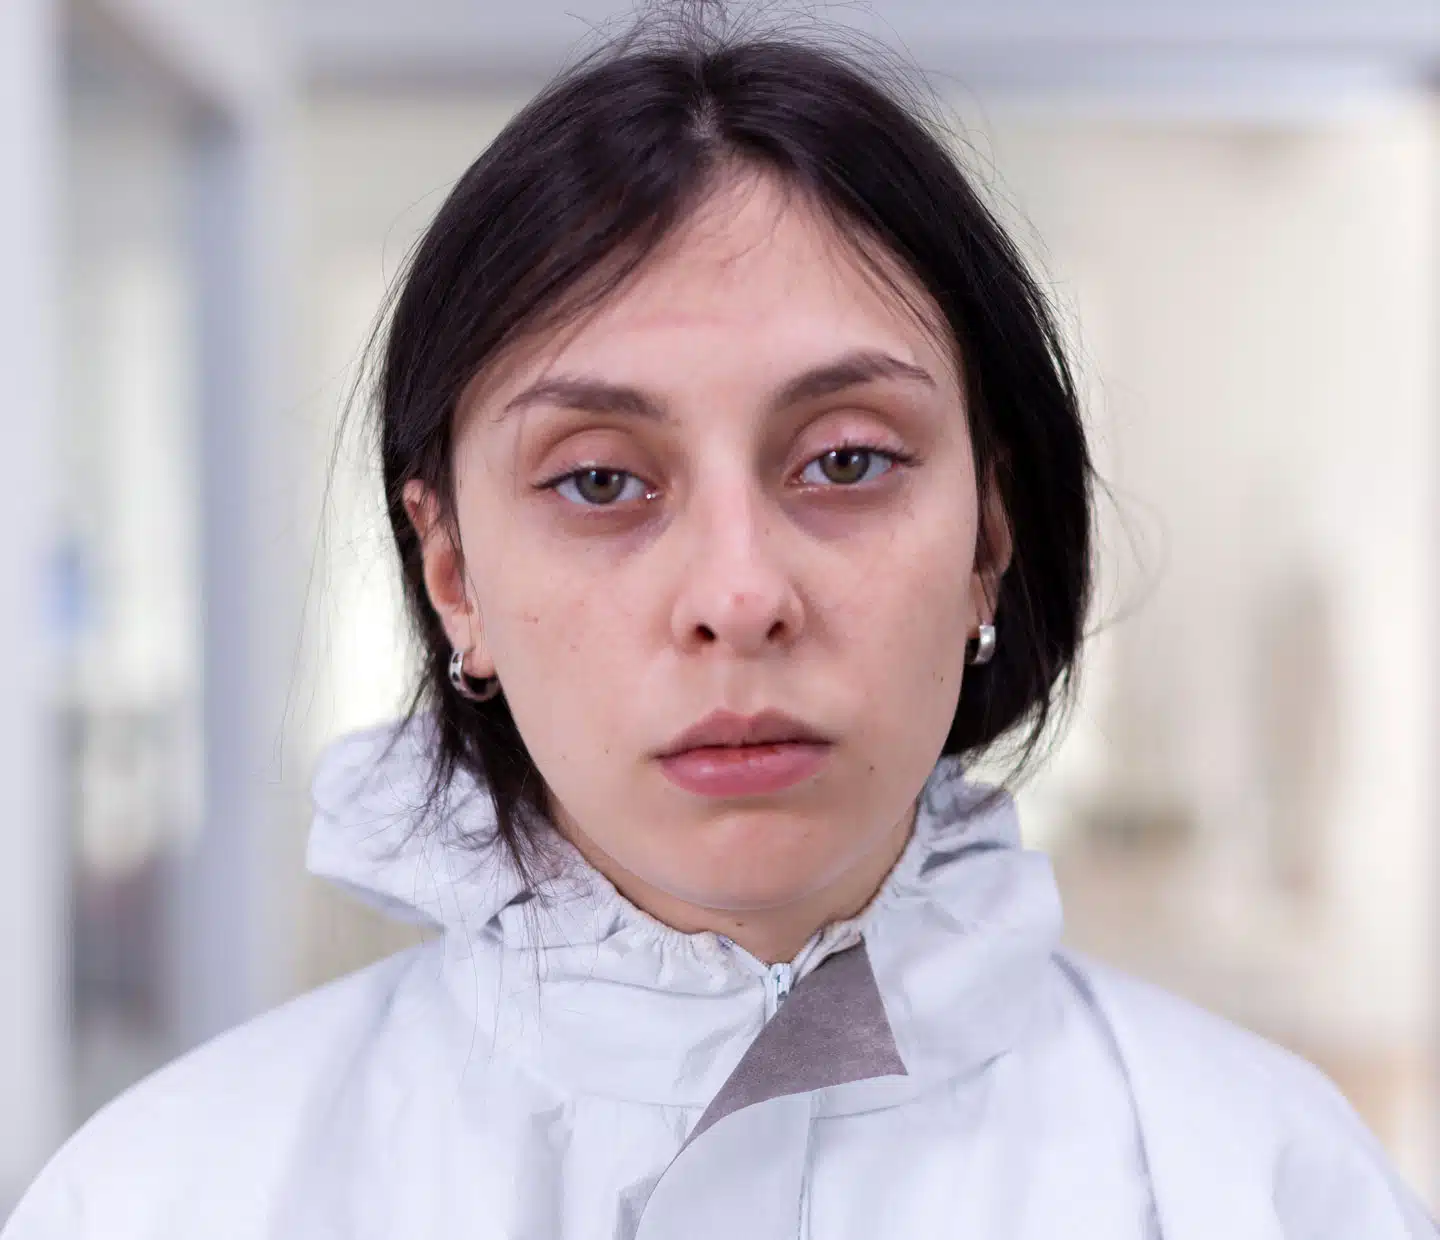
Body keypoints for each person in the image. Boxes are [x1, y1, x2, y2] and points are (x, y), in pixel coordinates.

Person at [6, 16, 1435, 1240]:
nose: (739, 594)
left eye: (847, 460)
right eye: (603, 481)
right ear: (452, 574)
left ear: (991, 536)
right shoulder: (170, 1198)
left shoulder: (1264, 1186)